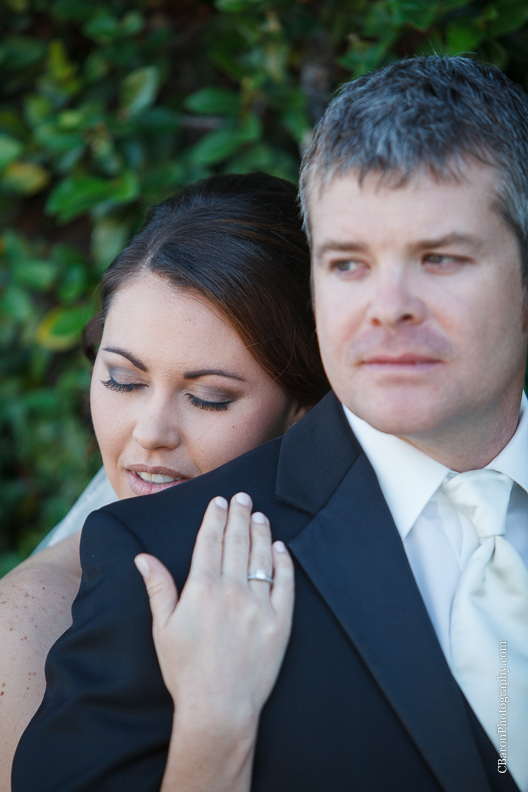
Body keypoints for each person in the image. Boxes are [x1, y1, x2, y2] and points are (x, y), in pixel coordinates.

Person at [13, 54, 528, 792]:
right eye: (348, 263)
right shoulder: (155, 564)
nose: (388, 307)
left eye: (441, 258)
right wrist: (215, 728)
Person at [0, 172, 329, 792]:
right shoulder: (27, 627)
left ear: (303, 408)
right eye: (123, 380)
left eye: (207, 397)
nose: (151, 433)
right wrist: (213, 725)